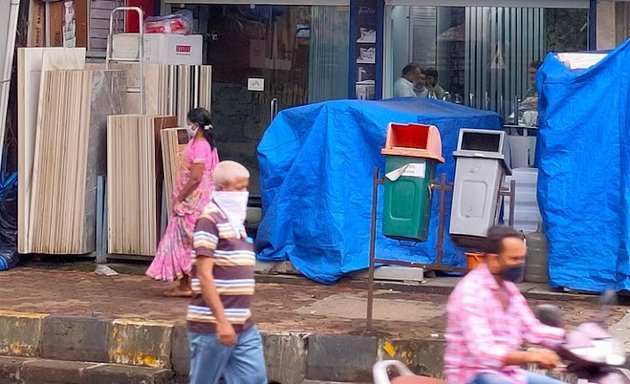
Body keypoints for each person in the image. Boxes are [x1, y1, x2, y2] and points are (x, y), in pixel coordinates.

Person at [444, 225, 566, 384]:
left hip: (508, 374)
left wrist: (573, 340)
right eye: (514, 259)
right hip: (473, 375)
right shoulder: (471, 292)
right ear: (494, 260)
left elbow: (532, 329)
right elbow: (484, 352)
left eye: (522, 258)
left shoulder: (509, 290)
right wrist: (533, 356)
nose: (520, 264)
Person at [187, 160, 266, 384]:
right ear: (221, 189)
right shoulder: (209, 221)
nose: (244, 194)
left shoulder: (235, 223)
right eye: (238, 188)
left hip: (242, 322)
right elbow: (204, 274)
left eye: (246, 188)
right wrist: (221, 321)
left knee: (254, 378)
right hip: (211, 324)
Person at [146, 107, 220, 297]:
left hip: (193, 203)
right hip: (200, 201)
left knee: (184, 241)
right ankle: (190, 283)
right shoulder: (205, 144)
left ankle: (187, 284)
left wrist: (179, 197)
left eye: (189, 124)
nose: (187, 127)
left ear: (196, 125)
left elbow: (195, 178)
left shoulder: (201, 146)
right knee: (191, 241)